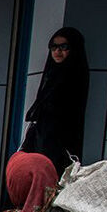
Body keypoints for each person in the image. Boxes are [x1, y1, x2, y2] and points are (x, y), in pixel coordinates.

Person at [21, 27, 89, 175]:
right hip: (43, 141)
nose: (57, 52)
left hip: (61, 145)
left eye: (63, 47)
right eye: (54, 47)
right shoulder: (51, 75)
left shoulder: (74, 77)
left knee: (53, 180)